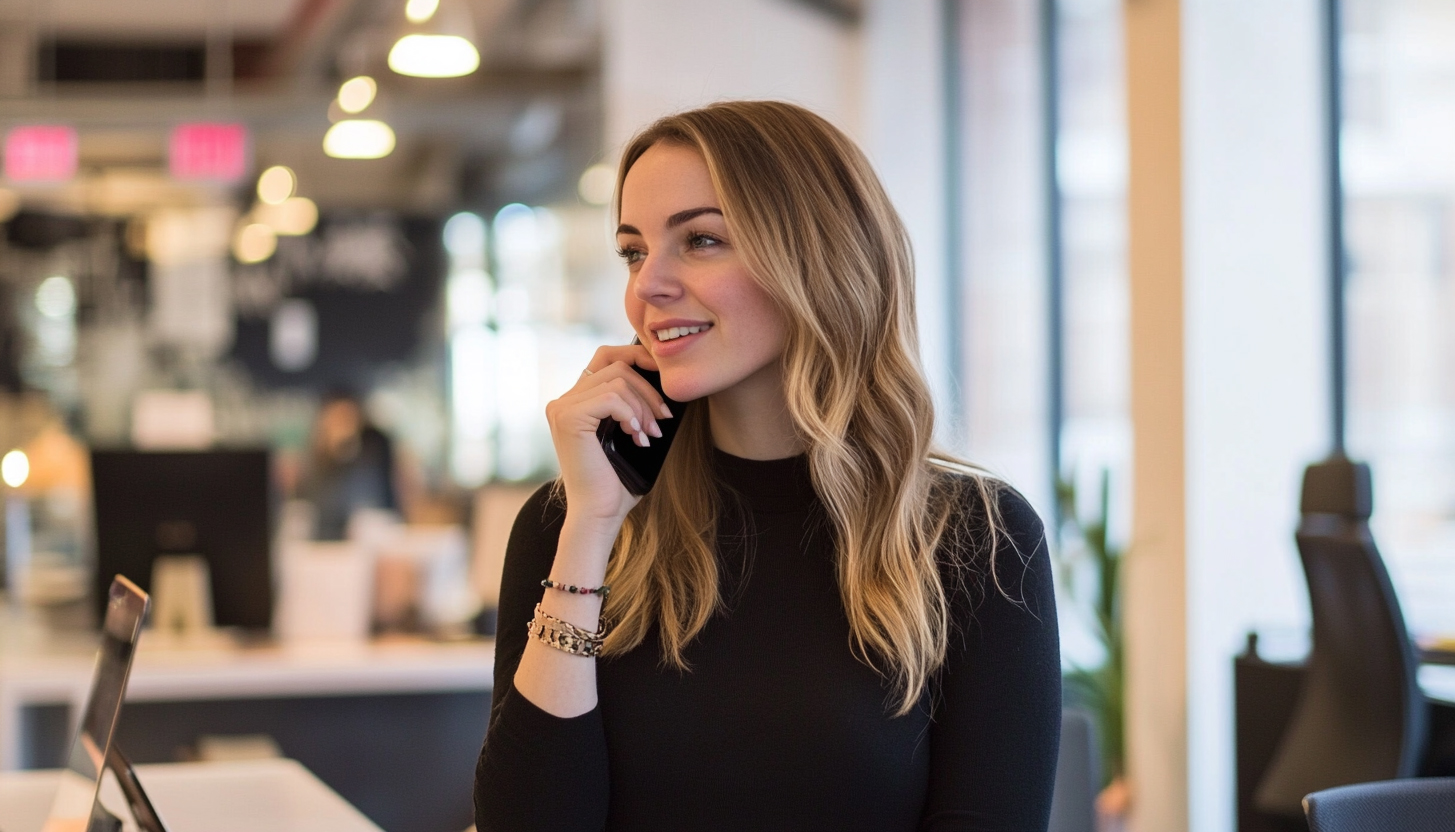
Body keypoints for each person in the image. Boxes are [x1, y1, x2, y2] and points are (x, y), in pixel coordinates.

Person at [475, 100, 1061, 831]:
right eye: (633, 250)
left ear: (816, 258)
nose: (646, 285)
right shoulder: (571, 523)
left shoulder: (976, 538)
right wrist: (591, 528)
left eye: (701, 240)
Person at [295, 390, 399, 540]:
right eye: (337, 417)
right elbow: (310, 507)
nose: (343, 424)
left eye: (348, 417)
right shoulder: (313, 458)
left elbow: (376, 502)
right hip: (324, 544)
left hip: (368, 540)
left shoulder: (374, 452)